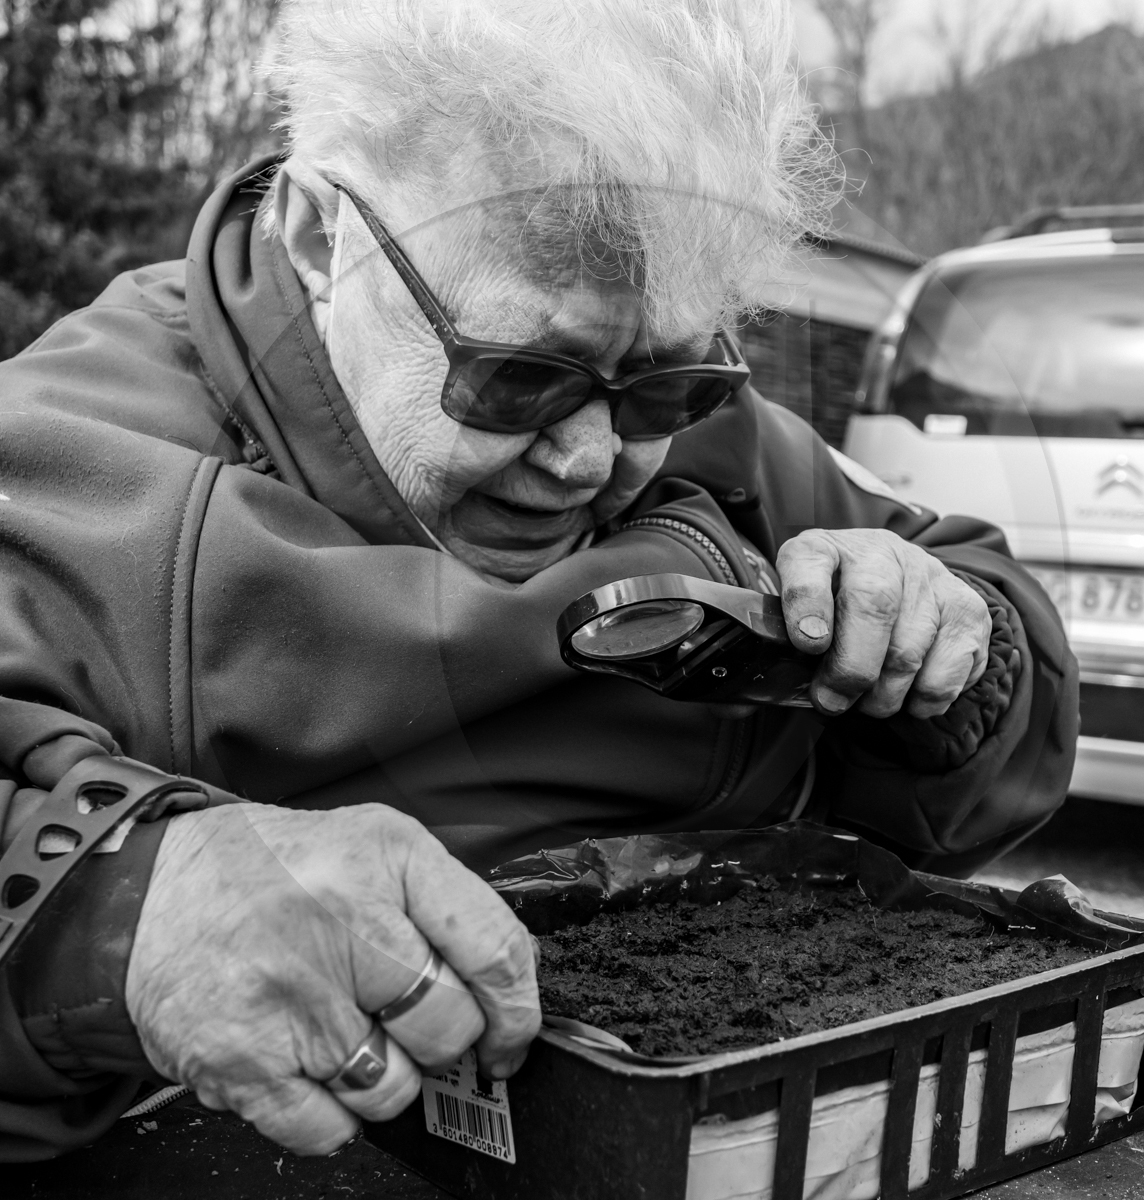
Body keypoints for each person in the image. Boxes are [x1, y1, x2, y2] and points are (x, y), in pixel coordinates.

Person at [0, 0, 1076, 1164]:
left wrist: (949, 649)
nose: (592, 457)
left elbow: (998, 672)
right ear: (321, 238)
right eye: (519, 376)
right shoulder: (66, 469)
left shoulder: (728, 446)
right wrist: (125, 913)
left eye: (666, 386)